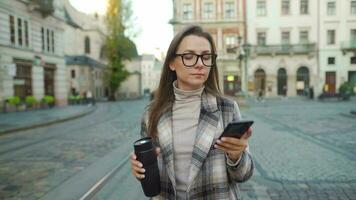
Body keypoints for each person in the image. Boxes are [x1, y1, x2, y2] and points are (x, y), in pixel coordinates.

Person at [130, 25, 254, 199]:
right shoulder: (152, 113)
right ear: (172, 63)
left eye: (206, 57)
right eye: (189, 57)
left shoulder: (227, 108)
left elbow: (243, 175)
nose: (199, 64)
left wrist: (236, 156)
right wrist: (140, 169)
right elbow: (151, 172)